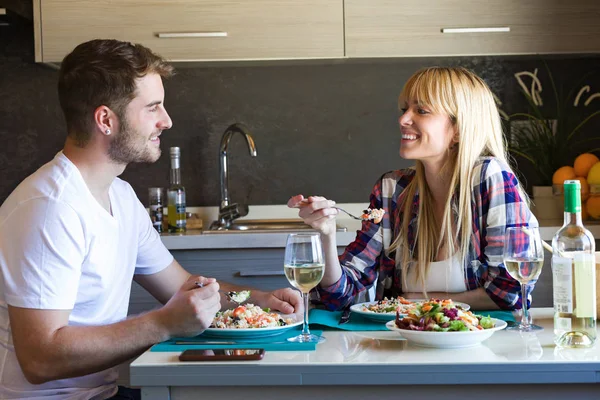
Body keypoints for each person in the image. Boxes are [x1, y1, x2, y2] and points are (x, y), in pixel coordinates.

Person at [0, 39, 301, 399]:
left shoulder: (121, 197)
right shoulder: (51, 208)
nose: (166, 120)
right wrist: (162, 323)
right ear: (105, 120)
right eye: (153, 107)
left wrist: (259, 300)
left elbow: (184, 287)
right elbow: (40, 360)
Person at [288, 66, 538, 312]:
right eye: (404, 109)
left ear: (459, 129)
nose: (403, 119)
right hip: (403, 343)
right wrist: (326, 234)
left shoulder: (489, 177)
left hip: (479, 347)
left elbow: (511, 293)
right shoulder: (392, 190)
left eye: (421, 110)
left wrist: (416, 300)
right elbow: (340, 294)